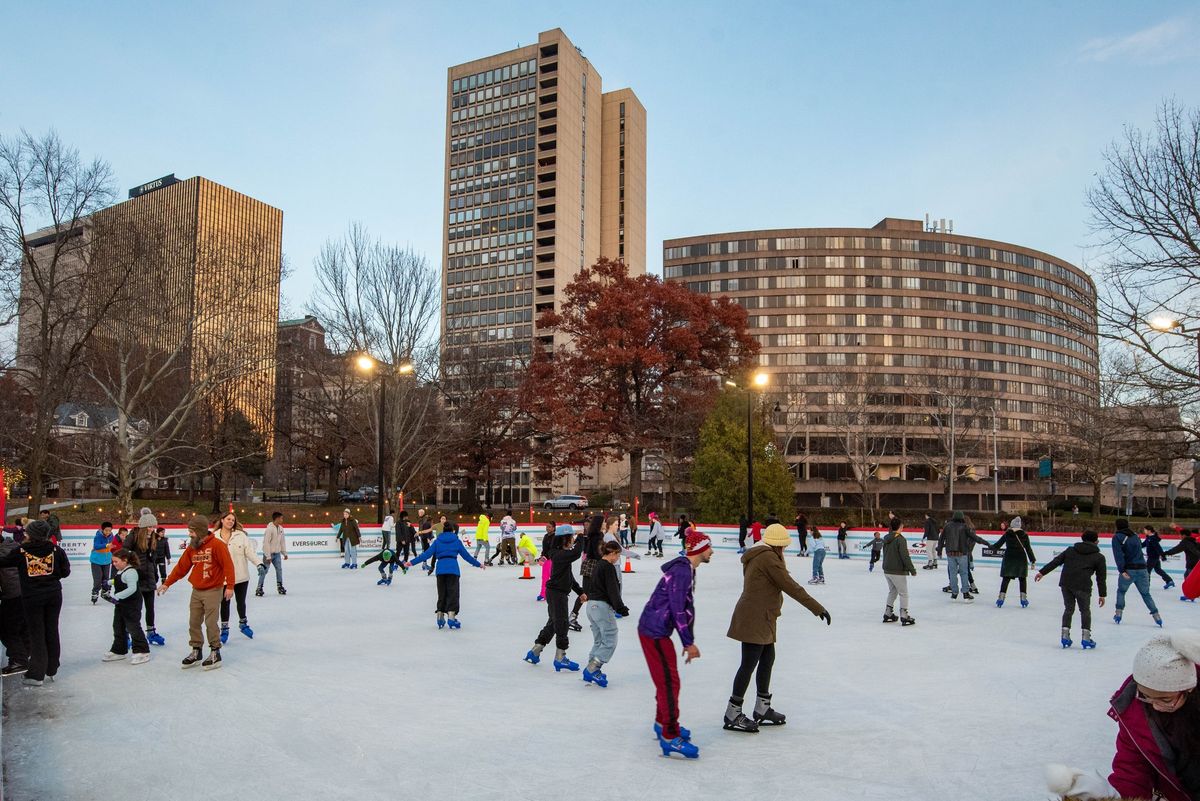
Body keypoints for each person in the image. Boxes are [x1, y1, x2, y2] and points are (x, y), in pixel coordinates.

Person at [725, 523, 829, 735]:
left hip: (763, 616)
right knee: (748, 664)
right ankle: (732, 712)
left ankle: (762, 708)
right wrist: (817, 608)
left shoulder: (759, 554)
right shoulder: (768, 558)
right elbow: (790, 586)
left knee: (767, 658)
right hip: (755, 617)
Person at [637, 529, 713, 760]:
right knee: (669, 683)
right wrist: (688, 643)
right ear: (699, 549)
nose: (712, 551)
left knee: (668, 681)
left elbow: (685, 608)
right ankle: (670, 736)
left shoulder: (686, 569)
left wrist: (687, 638)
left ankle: (662, 723)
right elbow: (678, 608)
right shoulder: (682, 572)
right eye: (708, 546)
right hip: (655, 631)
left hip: (657, 629)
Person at [1106, 631, 1200, 801]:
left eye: (1165, 699)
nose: (1155, 705)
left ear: (1189, 689)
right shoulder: (1133, 712)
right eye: (1146, 696)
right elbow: (1131, 768)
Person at [158, 516, 235, 670]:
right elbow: (181, 568)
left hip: (213, 589)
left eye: (192, 532)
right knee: (194, 622)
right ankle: (196, 651)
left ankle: (215, 652)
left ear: (199, 531)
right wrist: (167, 583)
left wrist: (230, 586)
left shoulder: (217, 545)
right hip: (197, 590)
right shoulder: (192, 547)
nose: (190, 534)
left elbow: (228, 566)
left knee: (210, 622)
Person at [0, 520, 70, 686]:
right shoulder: (56, 550)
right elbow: (65, 572)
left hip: (33, 598)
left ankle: (37, 674)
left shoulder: (22, 551)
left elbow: (3, 563)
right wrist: (51, 576)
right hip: (53, 595)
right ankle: (52, 668)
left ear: (31, 534)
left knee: (37, 633)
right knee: (52, 629)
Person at [524, 524, 585, 670]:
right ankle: (560, 657)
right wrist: (582, 537)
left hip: (557, 592)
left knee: (553, 623)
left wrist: (580, 591)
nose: (572, 541)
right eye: (571, 538)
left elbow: (569, 577)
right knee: (562, 624)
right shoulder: (557, 554)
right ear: (565, 539)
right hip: (557, 594)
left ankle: (535, 651)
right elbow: (576, 553)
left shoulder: (561, 554)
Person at [1035, 529, 1107, 649]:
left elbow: (1056, 561)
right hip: (1083, 586)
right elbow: (1101, 578)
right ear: (1096, 541)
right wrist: (1102, 594)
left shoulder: (1070, 550)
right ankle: (1086, 638)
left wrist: (1042, 572)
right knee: (1085, 611)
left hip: (1066, 583)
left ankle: (1065, 636)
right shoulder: (1099, 557)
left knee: (1068, 609)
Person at [406, 522, 485, 629]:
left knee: (442, 593)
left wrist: (411, 562)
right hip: (453, 570)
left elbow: (426, 554)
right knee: (453, 593)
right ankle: (451, 617)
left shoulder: (437, 541)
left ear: (443, 531)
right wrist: (478, 564)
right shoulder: (456, 541)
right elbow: (467, 556)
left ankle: (440, 616)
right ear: (453, 531)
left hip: (440, 571)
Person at [581, 541, 630, 688]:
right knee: (610, 639)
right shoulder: (608, 567)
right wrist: (621, 608)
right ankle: (592, 668)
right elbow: (613, 590)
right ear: (613, 553)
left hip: (591, 606)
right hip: (601, 606)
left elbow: (589, 584)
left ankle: (591, 668)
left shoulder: (597, 565)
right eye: (618, 555)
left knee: (599, 640)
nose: (618, 558)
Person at [214, 511, 263, 642]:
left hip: (240, 576)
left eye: (233, 520)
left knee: (241, 602)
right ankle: (224, 629)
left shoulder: (240, 535)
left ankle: (243, 623)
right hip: (223, 578)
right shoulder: (214, 537)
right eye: (228, 519)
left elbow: (249, 552)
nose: (231, 521)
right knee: (224, 603)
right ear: (222, 520)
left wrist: (259, 564)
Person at [101, 549, 150, 665]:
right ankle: (119, 650)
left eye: (116, 562)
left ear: (125, 560)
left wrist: (117, 596)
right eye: (113, 562)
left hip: (132, 604)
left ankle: (142, 650)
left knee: (133, 627)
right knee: (118, 625)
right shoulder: (122, 571)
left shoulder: (131, 572)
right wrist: (108, 582)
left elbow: (132, 588)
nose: (114, 564)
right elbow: (120, 580)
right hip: (121, 604)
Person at [1112, 517, 1162, 627]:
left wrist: (1122, 570)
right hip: (1143, 569)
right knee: (1146, 594)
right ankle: (1157, 616)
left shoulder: (1117, 537)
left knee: (1121, 591)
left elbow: (1118, 555)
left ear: (1117, 526)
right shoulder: (1135, 536)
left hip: (1129, 570)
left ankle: (1118, 614)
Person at [124, 513, 165, 647]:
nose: (151, 529)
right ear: (142, 526)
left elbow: (154, 558)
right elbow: (124, 553)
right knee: (134, 608)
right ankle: (127, 634)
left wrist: (156, 572)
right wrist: (133, 569)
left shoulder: (153, 538)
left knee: (150, 607)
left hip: (149, 577)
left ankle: (151, 632)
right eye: (149, 527)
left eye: (153, 527)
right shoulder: (133, 536)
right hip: (136, 578)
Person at [937, 510, 992, 602]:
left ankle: (954, 594)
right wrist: (987, 543)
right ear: (962, 518)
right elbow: (974, 537)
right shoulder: (964, 526)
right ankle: (966, 594)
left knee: (953, 573)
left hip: (950, 554)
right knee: (964, 573)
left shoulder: (947, 526)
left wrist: (939, 551)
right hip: (962, 553)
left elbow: (941, 539)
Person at [0, 531, 30, 676]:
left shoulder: (2, 553)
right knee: (22, 626)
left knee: (7, 628)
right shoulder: (13, 545)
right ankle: (25, 653)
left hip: (12, 595)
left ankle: (19, 660)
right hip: (27, 592)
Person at [992, 516, 1037, 608]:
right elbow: (1028, 549)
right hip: (1021, 558)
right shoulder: (1024, 535)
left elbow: (997, 545)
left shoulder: (1007, 534)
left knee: (1006, 578)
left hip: (1009, 557)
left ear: (1012, 525)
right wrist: (1032, 560)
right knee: (1022, 579)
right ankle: (1023, 599)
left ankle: (1001, 598)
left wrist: (989, 546)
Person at [881, 518, 917, 626]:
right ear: (900, 527)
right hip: (897, 571)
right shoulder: (900, 539)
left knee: (893, 591)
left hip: (887, 570)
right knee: (903, 593)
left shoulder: (886, 538)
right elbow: (905, 556)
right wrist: (912, 569)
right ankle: (904, 615)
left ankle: (888, 613)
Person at [1164, 529, 1199, 603]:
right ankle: (1191, 594)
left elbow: (1176, 549)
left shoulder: (1185, 542)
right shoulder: (1194, 541)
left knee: (1188, 578)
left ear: (1183, 535)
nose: (1179, 536)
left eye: (1180, 535)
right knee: (1189, 577)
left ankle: (1190, 595)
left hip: (1192, 564)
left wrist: (1165, 553)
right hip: (1197, 563)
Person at [257, 511, 288, 597]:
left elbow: (282, 542)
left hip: (277, 554)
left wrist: (284, 553)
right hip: (269, 554)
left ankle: (280, 586)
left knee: (279, 570)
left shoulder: (281, 528)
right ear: (277, 519)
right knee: (265, 571)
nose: (282, 520)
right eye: (281, 518)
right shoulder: (269, 529)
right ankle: (259, 587)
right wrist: (268, 556)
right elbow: (266, 543)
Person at [89, 521, 115, 604]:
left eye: (109, 530)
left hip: (107, 560)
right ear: (102, 529)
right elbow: (96, 546)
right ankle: (95, 592)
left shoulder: (112, 536)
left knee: (106, 578)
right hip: (96, 561)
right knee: (98, 578)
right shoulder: (98, 536)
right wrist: (106, 545)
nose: (108, 532)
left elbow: (112, 546)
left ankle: (105, 592)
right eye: (106, 530)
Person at [1143, 526, 1174, 590]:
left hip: (1152, 558)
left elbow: (1158, 548)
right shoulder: (1149, 538)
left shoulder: (1153, 538)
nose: (1144, 531)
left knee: (1146, 571)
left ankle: (1145, 585)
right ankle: (1169, 581)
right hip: (1154, 557)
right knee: (1158, 570)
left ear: (1149, 531)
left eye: (1145, 530)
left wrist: (1163, 556)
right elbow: (1142, 545)